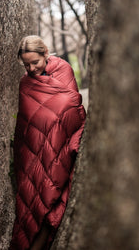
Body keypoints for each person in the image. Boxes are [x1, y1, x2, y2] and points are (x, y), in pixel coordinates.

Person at [10, 36, 86, 250]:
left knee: (48, 198)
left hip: (58, 144)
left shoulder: (63, 70)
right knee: (31, 201)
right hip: (32, 150)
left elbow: (72, 105)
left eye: (35, 62)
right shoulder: (25, 83)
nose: (32, 68)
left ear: (45, 54)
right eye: (26, 65)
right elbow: (26, 122)